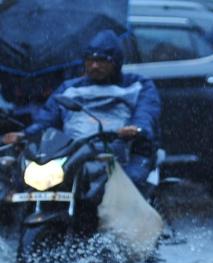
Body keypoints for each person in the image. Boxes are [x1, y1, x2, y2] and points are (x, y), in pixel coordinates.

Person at [1, 30, 160, 193]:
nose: (94, 66)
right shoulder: (70, 88)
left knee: (126, 191)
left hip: (125, 153)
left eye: (102, 60)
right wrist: (25, 134)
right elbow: (47, 119)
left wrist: (136, 129)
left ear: (116, 62)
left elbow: (146, 113)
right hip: (75, 153)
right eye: (90, 60)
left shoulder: (138, 85)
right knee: (24, 183)